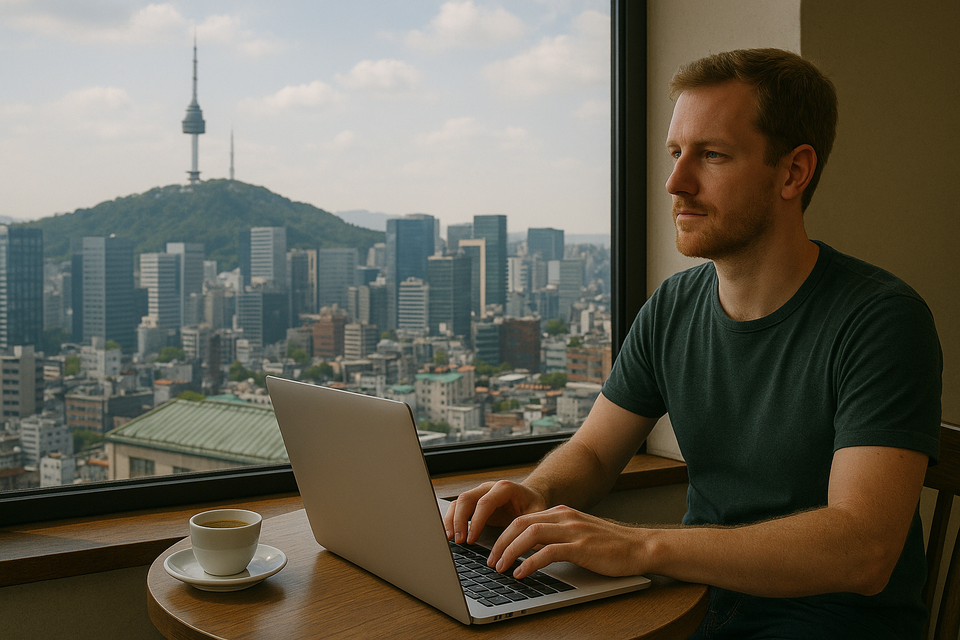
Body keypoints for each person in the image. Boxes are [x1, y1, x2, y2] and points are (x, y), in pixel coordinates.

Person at [444, 48, 942, 639]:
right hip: (692, 607)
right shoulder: (675, 305)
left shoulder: (881, 320)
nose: (676, 183)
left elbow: (863, 550)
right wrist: (535, 491)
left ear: (793, 172)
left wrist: (643, 545)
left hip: (827, 623)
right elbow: (597, 453)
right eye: (676, 153)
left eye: (711, 155)